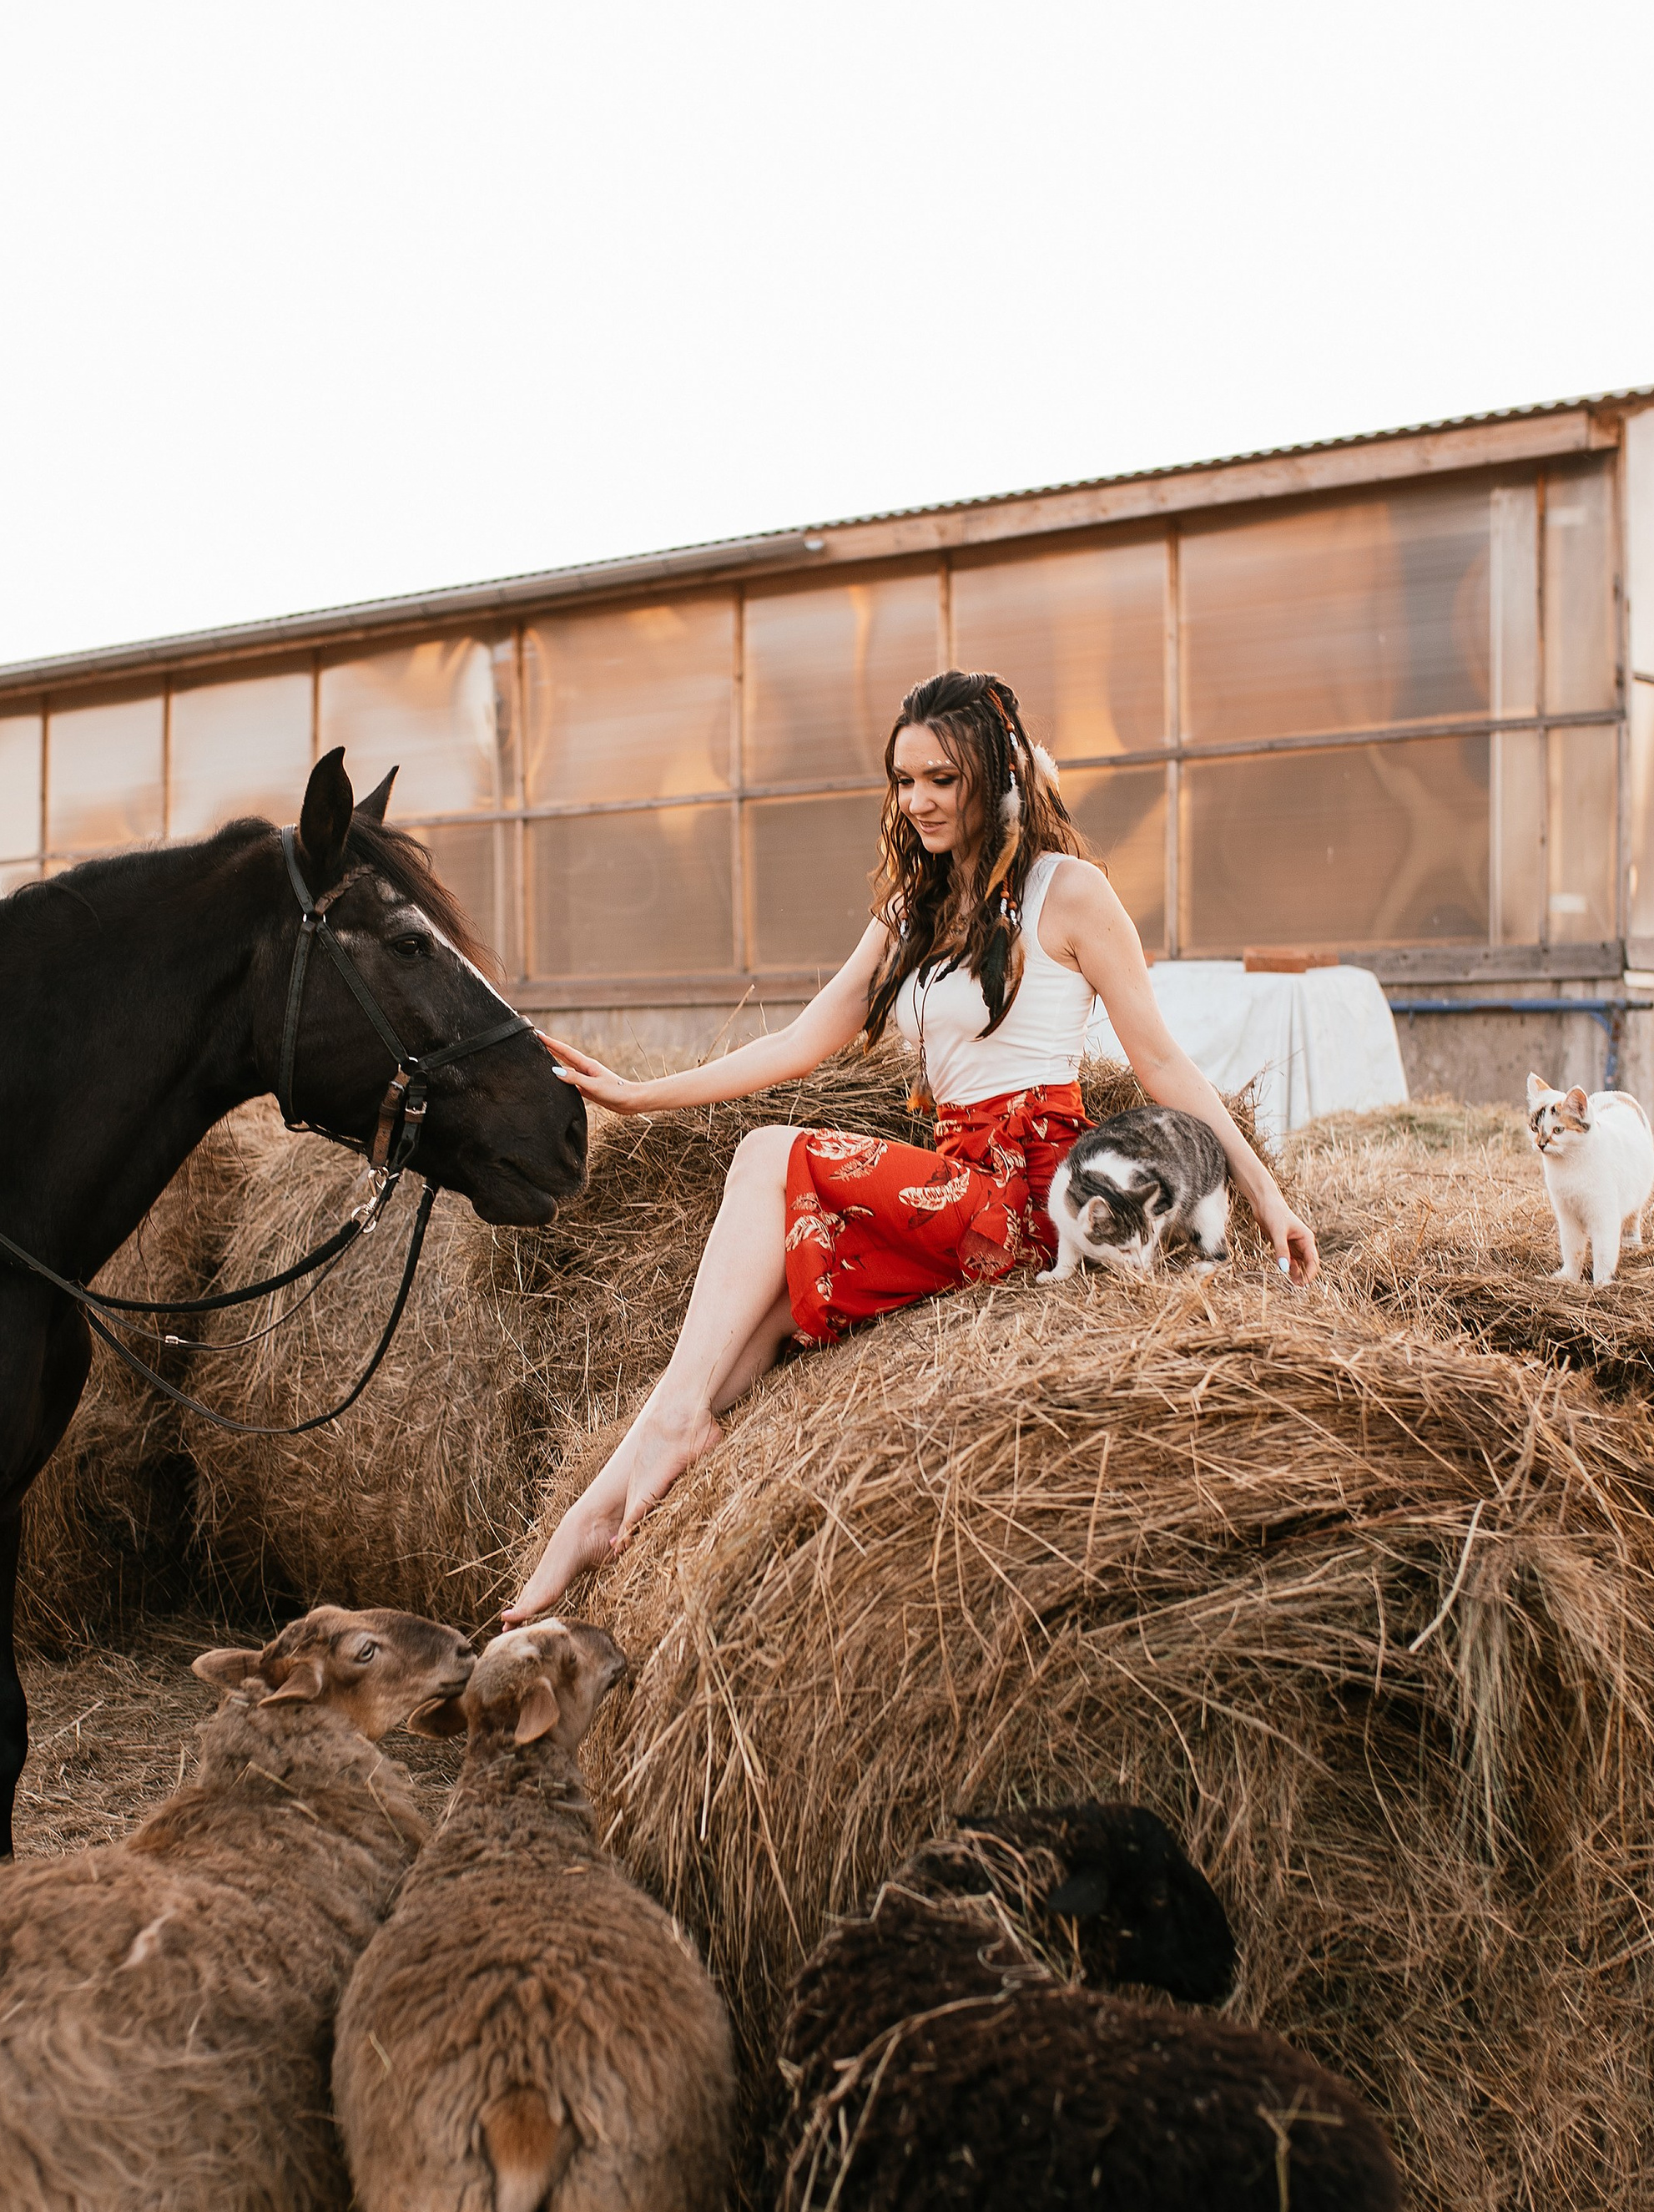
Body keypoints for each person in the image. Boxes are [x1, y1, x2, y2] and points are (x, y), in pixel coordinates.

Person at [504, 670, 1319, 1623]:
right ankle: (597, 1516)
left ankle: (679, 1427)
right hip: (953, 1184)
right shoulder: (914, 910)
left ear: (996, 774)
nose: (920, 801)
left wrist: (1268, 1196)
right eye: (904, 781)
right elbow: (797, 1042)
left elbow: (1165, 1066)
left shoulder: (1072, 894)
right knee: (757, 1312)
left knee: (769, 1156)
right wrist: (640, 1097)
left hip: (1026, 1201)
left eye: (942, 778)